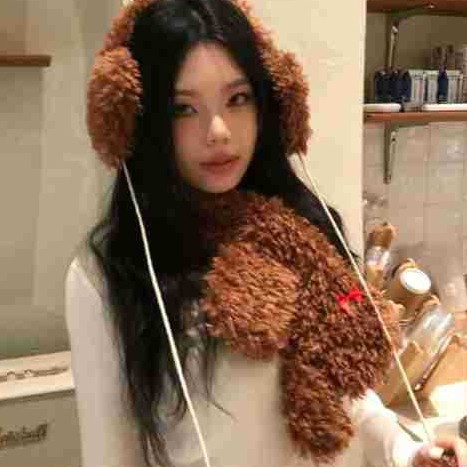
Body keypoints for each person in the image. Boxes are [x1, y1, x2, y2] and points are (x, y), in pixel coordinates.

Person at [65, 0, 465, 466]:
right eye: (182, 108)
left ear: (270, 102)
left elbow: (346, 395)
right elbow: (110, 457)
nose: (218, 131)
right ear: (137, 120)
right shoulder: (110, 275)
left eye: (237, 99)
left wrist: (406, 450)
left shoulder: (305, 229)